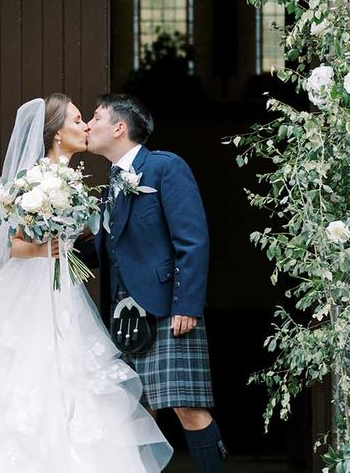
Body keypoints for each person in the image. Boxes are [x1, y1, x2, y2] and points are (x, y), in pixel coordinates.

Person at [0, 94, 172, 473]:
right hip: (29, 292)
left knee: (74, 382)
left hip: (63, 294)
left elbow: (90, 237)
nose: (85, 126)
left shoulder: (76, 181)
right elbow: (14, 246)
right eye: (76, 121)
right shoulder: (33, 181)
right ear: (56, 134)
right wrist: (44, 250)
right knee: (21, 378)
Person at [81, 93, 226, 473]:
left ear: (119, 127)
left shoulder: (165, 167)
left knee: (187, 408)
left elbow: (192, 241)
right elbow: (107, 250)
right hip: (123, 313)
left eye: (95, 118)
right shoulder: (110, 184)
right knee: (135, 411)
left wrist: (187, 305)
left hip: (166, 306)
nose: (88, 126)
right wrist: (52, 242)